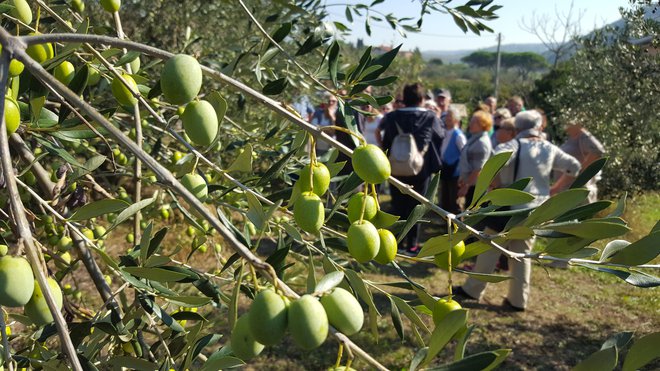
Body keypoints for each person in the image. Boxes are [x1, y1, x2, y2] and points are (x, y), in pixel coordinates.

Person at [457, 111, 581, 311]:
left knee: (489, 247)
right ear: (539, 126)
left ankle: (473, 289)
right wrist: (556, 188)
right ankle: (517, 301)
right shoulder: (548, 148)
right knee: (522, 255)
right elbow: (574, 166)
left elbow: (494, 161)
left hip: (509, 208)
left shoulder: (514, 145)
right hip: (536, 209)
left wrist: (495, 184)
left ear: (517, 128)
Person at [381, 83, 443, 255]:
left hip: (395, 167)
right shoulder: (430, 117)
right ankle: (412, 245)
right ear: (422, 99)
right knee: (417, 208)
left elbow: (386, 141)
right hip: (420, 168)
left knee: (398, 206)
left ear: (405, 99)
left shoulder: (392, 116)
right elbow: (440, 136)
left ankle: (398, 243)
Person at [559, 119, 605, 202]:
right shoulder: (572, 138)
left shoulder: (583, 136)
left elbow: (597, 151)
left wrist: (580, 172)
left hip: (579, 191)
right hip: (567, 191)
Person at [458, 110, 493, 207]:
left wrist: (466, 186)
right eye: (471, 121)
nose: (470, 124)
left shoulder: (481, 142)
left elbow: (478, 168)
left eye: (474, 122)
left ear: (483, 124)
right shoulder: (475, 138)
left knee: (472, 214)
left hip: (475, 187)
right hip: (471, 184)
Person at [439, 106, 466, 215]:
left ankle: (458, 224)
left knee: (454, 199)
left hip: (455, 171)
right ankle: (446, 222)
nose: (448, 118)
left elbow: (464, 153)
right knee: (444, 197)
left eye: (451, 116)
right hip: (445, 169)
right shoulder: (444, 132)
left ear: (456, 119)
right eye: (447, 115)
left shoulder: (458, 135)